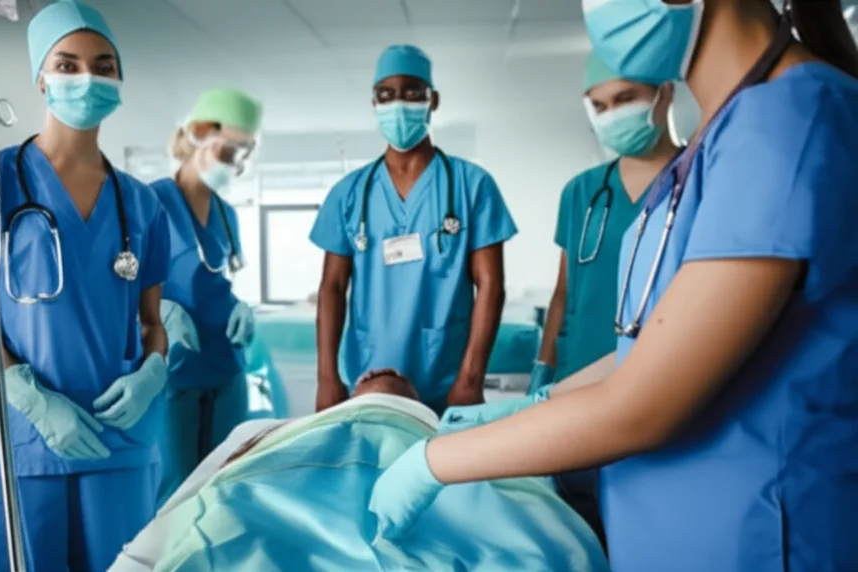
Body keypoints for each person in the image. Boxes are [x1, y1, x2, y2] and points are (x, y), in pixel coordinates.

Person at [368, 0, 858, 570]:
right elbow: (652, 343)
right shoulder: (721, 136)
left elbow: (642, 407)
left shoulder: (787, 120)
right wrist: (538, 401)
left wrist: (431, 464)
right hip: (677, 537)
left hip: (760, 539)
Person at [0, 2, 171, 570]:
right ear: (41, 79)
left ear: (119, 79)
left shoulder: (141, 203)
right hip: (19, 441)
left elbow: (151, 323)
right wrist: (31, 399)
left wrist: (153, 372)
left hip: (117, 441)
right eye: (67, 64)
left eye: (103, 65)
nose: (87, 77)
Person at [110, 370, 608, 572]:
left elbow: (628, 396)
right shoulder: (273, 430)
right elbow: (214, 485)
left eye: (396, 375)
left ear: (418, 399)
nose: (378, 370)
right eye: (367, 374)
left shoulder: (475, 438)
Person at [310, 44, 517, 415]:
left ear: (432, 100)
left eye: (411, 93)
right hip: (367, 376)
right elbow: (332, 287)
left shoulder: (472, 185)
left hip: (447, 378)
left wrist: (471, 378)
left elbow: (491, 285)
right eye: (386, 95)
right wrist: (327, 379)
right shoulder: (349, 193)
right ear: (374, 103)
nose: (398, 104)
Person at [528, 50, 683, 545]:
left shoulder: (699, 177)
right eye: (599, 105)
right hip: (578, 388)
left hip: (664, 387)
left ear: (664, 94)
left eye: (626, 98)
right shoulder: (581, 193)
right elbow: (563, 294)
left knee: (652, 527)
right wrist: (543, 371)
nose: (612, 114)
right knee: (581, 530)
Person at [149, 87, 263, 508]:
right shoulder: (150, 202)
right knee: (176, 492)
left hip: (226, 364)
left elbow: (218, 278)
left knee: (226, 483)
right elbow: (116, 286)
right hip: (174, 368)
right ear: (199, 132)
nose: (235, 163)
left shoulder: (227, 214)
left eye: (243, 153)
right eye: (229, 150)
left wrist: (242, 308)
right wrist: (159, 310)